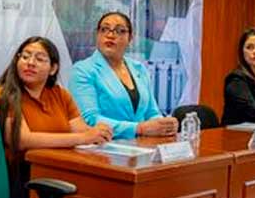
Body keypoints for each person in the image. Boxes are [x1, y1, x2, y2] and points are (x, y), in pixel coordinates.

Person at [0, 36, 112, 198]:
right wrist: (84, 138)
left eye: (39, 59)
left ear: (53, 68)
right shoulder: (3, 95)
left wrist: (98, 132)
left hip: (55, 170)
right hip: (18, 179)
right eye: (25, 56)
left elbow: (80, 129)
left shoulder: (59, 94)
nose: (30, 63)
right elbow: (22, 140)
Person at [68, 11, 177, 139]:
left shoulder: (139, 69)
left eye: (119, 31)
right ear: (97, 35)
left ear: (130, 38)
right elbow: (90, 119)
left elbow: (151, 112)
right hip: (103, 147)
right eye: (104, 29)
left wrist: (164, 124)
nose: (110, 35)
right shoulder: (83, 70)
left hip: (142, 146)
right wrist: (139, 129)